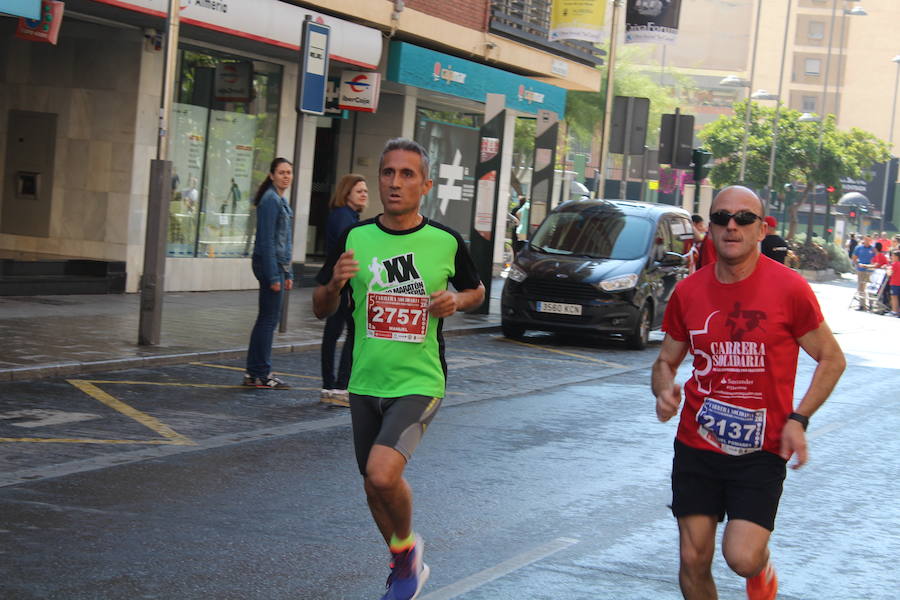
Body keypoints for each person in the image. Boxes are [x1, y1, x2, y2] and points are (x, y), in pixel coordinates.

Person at [651, 186, 845, 600]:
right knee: (692, 559)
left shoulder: (789, 289)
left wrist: (799, 419)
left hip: (760, 448)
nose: (731, 226)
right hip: (697, 444)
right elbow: (665, 361)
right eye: (721, 218)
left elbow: (832, 358)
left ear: (761, 230)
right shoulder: (688, 292)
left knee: (741, 556)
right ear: (711, 230)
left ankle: (760, 568)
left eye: (743, 218)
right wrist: (665, 391)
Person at [313, 138, 485, 600]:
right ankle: (404, 562)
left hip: (420, 380)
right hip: (365, 379)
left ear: (425, 185)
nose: (395, 182)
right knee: (372, 485)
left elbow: (477, 291)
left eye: (407, 174)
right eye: (388, 172)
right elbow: (320, 307)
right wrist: (333, 283)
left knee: (383, 473)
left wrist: (458, 300)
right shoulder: (355, 237)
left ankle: (406, 553)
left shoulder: (446, 241)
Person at [243, 158, 294, 389]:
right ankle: (262, 373)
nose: (286, 176)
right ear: (272, 175)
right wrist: (274, 277)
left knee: (265, 319)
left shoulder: (279, 199)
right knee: (268, 321)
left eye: (289, 172)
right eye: (281, 172)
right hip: (269, 266)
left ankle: (254, 373)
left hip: (278, 266)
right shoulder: (271, 200)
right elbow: (266, 241)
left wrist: (288, 272)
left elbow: (285, 241)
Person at [320, 173, 369, 406]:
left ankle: (331, 385)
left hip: (339, 284)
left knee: (334, 333)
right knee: (350, 332)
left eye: (366, 191)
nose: (364, 194)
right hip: (342, 285)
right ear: (346, 193)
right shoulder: (344, 218)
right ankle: (338, 386)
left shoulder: (347, 216)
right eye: (359, 190)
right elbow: (346, 255)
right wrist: (348, 290)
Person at [851, 235, 877, 311]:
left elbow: (876, 258)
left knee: (871, 288)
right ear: (864, 240)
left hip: (870, 271)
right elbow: (854, 257)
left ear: (871, 240)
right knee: (861, 288)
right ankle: (862, 305)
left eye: (869, 240)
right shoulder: (859, 248)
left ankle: (871, 305)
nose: (867, 241)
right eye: (866, 239)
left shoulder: (873, 249)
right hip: (861, 270)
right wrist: (857, 264)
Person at [889, 250, 900, 316]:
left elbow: (889, 273)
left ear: (897, 257)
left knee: (894, 297)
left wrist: (888, 268)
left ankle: (894, 311)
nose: (892, 257)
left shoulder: (894, 264)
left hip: (895, 283)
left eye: (893, 256)